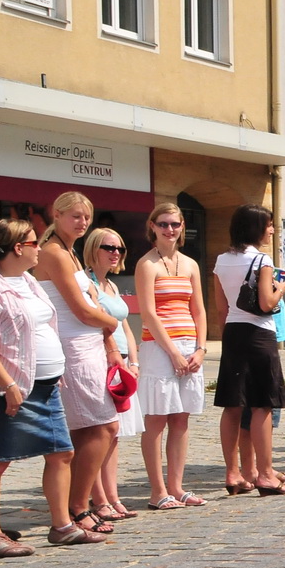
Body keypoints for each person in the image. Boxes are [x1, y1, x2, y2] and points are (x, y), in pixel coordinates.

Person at [0, 219, 105, 555]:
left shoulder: (30, 282)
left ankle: (62, 527)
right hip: (11, 387)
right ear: (18, 248)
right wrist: (7, 383)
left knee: (62, 452)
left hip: (47, 384)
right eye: (35, 243)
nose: (41, 247)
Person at [35, 191, 123, 536]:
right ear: (56, 215)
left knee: (95, 429)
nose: (82, 222)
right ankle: (76, 505)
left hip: (88, 344)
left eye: (86, 217)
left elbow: (90, 303)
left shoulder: (69, 252)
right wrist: (112, 323)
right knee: (102, 426)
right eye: (74, 216)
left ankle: (76, 504)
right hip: (72, 347)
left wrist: (108, 340)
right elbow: (81, 308)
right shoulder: (54, 253)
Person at [214, 205, 285, 496]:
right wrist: (280, 288)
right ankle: (266, 474)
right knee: (262, 404)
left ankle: (232, 473)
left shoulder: (221, 260)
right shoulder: (262, 260)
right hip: (260, 333)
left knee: (232, 404)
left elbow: (221, 307)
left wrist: (229, 336)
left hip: (233, 331)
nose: (271, 230)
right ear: (256, 228)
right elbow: (266, 303)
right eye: (269, 225)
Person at [135, 204, 207, 510]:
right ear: (152, 226)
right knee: (156, 420)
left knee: (181, 419)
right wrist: (173, 353)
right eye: (163, 224)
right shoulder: (146, 264)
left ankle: (177, 487)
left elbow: (199, 309)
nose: (169, 230)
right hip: (158, 348)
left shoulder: (190, 264)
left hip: (189, 345)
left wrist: (200, 348)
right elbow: (148, 313)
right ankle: (158, 490)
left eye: (175, 224)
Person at [83, 228, 142, 522]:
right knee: (99, 432)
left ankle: (113, 496)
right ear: (94, 248)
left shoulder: (112, 285)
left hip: (121, 364)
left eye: (119, 247)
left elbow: (126, 326)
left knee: (114, 434)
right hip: (100, 359)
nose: (115, 252)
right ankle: (98, 499)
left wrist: (134, 360)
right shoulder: (87, 283)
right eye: (108, 246)